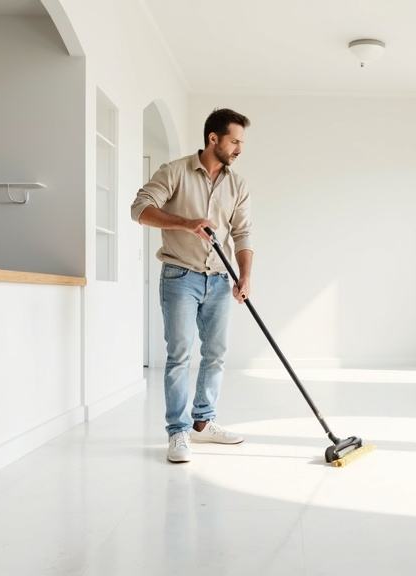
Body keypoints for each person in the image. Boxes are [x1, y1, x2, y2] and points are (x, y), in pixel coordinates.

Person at [131, 108, 254, 463]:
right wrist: (186, 223)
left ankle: (203, 422)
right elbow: (139, 209)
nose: (239, 149)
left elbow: (243, 234)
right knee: (180, 356)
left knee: (215, 354)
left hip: (219, 279)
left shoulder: (237, 185)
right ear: (213, 139)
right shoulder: (174, 172)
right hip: (180, 277)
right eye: (234, 141)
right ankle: (178, 431)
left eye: (241, 142)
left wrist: (244, 276)